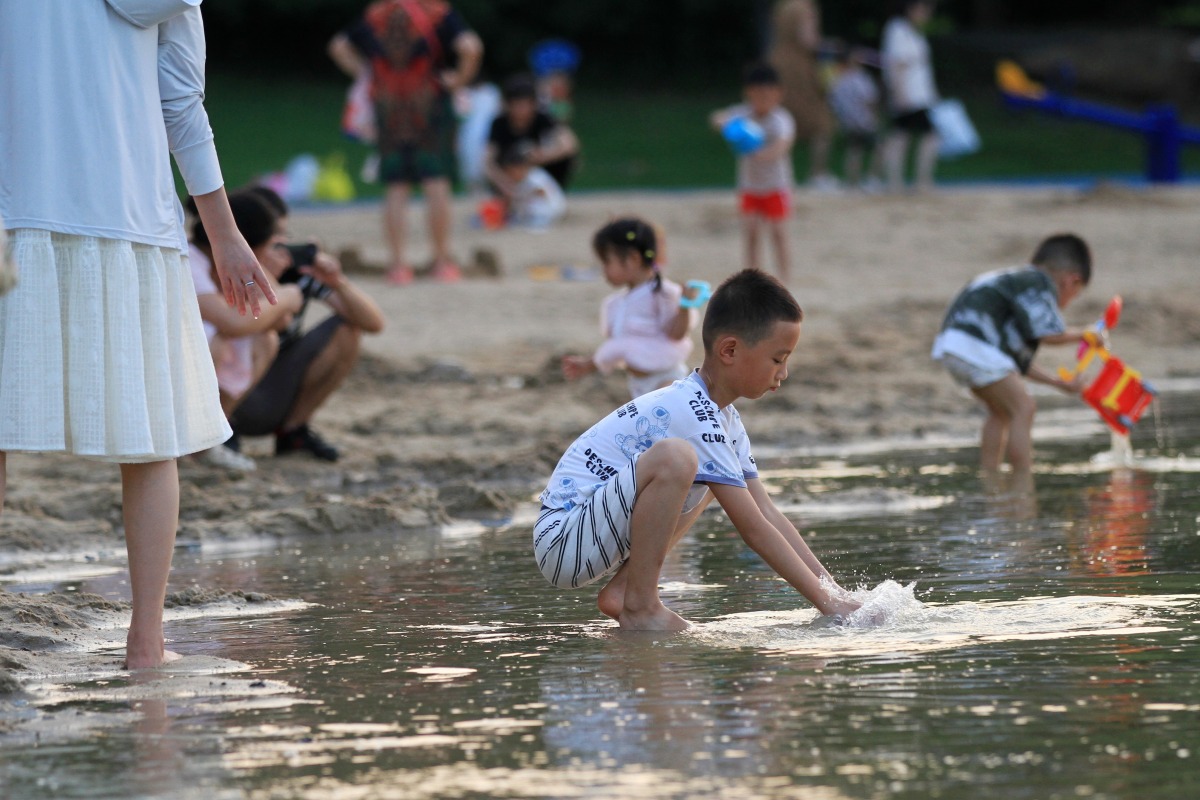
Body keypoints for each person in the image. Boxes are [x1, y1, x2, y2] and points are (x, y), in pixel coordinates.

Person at [0, 2, 273, 669]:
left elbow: (181, 101)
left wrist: (224, 232)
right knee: (149, 440)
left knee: (146, 440)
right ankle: (146, 642)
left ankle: (148, 639)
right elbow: (182, 101)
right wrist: (221, 233)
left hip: (93, 223)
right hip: (93, 219)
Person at [536, 269, 862, 631]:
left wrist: (837, 595)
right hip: (564, 541)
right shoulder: (692, 413)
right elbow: (753, 529)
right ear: (730, 350)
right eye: (777, 359)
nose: (783, 373)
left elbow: (766, 512)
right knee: (678, 459)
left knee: (716, 479)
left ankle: (627, 591)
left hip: (594, 527)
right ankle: (641, 606)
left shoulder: (724, 420)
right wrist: (828, 605)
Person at [328, 0, 483, 285]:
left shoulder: (377, 15)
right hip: (430, 106)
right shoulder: (436, 13)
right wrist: (459, 79)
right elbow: (471, 47)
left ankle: (398, 265)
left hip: (389, 107)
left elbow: (339, 46)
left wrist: (366, 74)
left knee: (396, 185)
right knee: (435, 181)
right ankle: (441, 261)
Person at [230, 187, 386, 462]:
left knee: (347, 328)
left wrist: (338, 282)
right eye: (272, 237)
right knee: (259, 336)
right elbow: (273, 321)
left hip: (271, 391)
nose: (281, 245)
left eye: (284, 237)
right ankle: (221, 433)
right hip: (227, 395)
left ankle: (293, 430)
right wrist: (268, 279)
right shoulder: (221, 272)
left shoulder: (295, 274)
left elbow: (373, 323)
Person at [931, 234, 1092, 478]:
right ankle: (1023, 485)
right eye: (1074, 295)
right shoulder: (1038, 282)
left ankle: (991, 480)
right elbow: (1049, 333)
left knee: (1002, 412)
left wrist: (1057, 383)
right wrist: (1087, 335)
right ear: (1071, 281)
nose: (1067, 304)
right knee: (1024, 408)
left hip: (955, 347)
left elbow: (1015, 363)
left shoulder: (1016, 285)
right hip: (973, 345)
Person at [188, 192, 304, 471]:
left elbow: (280, 322)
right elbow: (234, 322)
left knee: (264, 339)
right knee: (214, 342)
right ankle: (198, 437)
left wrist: (270, 281)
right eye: (272, 242)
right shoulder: (189, 260)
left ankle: (213, 433)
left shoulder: (214, 261)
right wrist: (286, 295)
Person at [561, 219, 700, 399]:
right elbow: (617, 346)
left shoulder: (662, 294)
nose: (604, 270)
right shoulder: (619, 302)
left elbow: (676, 335)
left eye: (607, 262)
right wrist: (587, 364)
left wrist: (684, 307)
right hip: (638, 384)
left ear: (633, 259)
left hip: (666, 378)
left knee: (668, 413)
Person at [710, 63, 797, 282]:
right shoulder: (743, 114)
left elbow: (783, 145)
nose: (763, 98)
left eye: (768, 94)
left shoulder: (781, 119)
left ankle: (784, 278)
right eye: (758, 94)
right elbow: (717, 118)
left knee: (778, 232)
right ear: (748, 93)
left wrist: (760, 153)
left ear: (779, 94)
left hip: (776, 186)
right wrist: (727, 126)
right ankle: (753, 279)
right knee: (751, 232)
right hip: (749, 186)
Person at [767, 0, 837, 190]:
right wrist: (825, 47)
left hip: (781, 66)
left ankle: (779, 177)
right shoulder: (804, 9)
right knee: (821, 126)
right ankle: (817, 175)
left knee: (781, 126)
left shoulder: (784, 8)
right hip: (798, 70)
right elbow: (808, 39)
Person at [880, 0, 940, 192]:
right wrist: (899, 94)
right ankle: (917, 182)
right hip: (909, 96)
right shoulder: (898, 30)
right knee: (921, 136)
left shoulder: (914, 34)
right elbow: (896, 65)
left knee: (902, 136)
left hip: (920, 96)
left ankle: (899, 182)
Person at [485, 73, 580, 193]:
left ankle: (554, 191)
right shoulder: (499, 123)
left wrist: (541, 156)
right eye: (517, 105)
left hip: (536, 170)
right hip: (509, 176)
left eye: (526, 105)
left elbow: (569, 144)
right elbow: (488, 161)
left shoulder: (542, 119)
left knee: (566, 160)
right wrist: (504, 183)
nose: (522, 111)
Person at [829, 47, 884, 190]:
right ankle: (872, 178)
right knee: (878, 148)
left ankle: (852, 182)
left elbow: (834, 101)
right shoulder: (860, 77)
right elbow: (869, 99)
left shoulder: (838, 79)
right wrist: (874, 115)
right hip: (864, 120)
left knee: (854, 150)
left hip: (848, 121)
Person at [494, 150, 567, 230]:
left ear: (521, 168)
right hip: (538, 213)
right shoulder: (522, 180)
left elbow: (542, 193)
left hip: (548, 211)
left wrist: (520, 197)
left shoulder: (534, 176)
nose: (510, 175)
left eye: (511, 171)